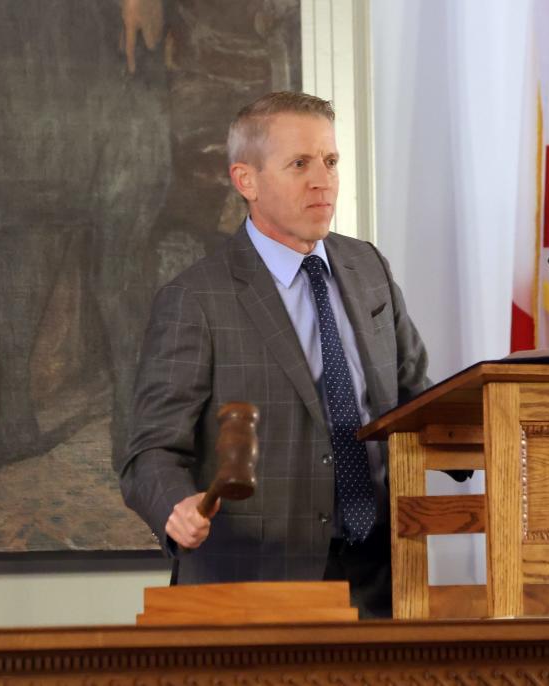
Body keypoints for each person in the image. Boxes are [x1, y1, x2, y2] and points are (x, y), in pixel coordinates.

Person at [117, 91, 462, 618]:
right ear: (245, 180)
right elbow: (149, 451)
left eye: (329, 161)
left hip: (381, 578)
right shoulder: (195, 299)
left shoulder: (367, 268)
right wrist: (174, 505)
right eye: (299, 163)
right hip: (251, 586)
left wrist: (505, 432)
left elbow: (416, 397)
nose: (321, 179)